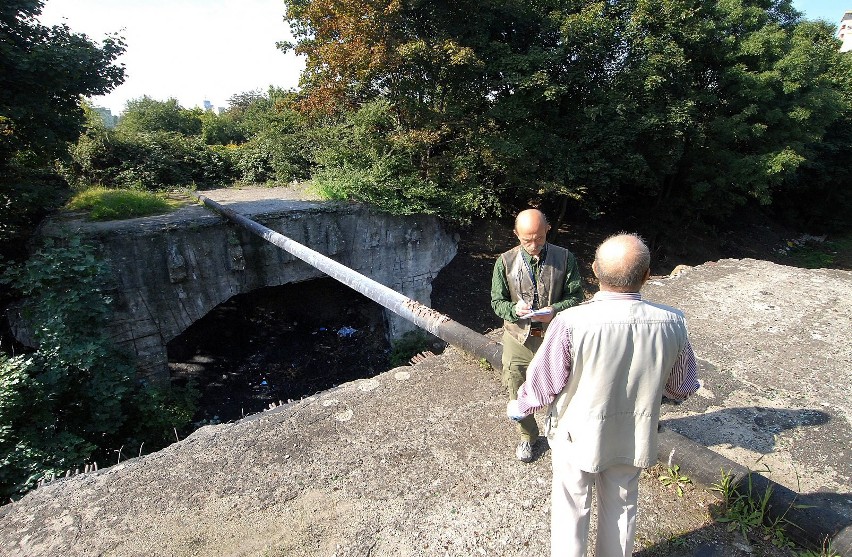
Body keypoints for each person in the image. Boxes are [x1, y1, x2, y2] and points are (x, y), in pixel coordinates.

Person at [507, 233, 699, 557]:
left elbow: (544, 383)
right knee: (623, 510)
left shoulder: (570, 322)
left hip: (575, 434)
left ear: (595, 270)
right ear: (647, 275)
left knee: (571, 511)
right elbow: (682, 387)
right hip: (633, 433)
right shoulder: (673, 323)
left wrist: (520, 405)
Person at [491, 208, 584, 462]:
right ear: (516, 234)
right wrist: (513, 309)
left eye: (539, 238)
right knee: (516, 387)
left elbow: (577, 297)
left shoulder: (565, 258)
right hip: (517, 338)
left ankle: (561, 432)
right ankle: (528, 436)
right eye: (526, 240)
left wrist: (554, 310)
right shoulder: (505, 261)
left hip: (556, 336)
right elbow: (496, 301)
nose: (533, 245)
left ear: (547, 230)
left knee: (566, 387)